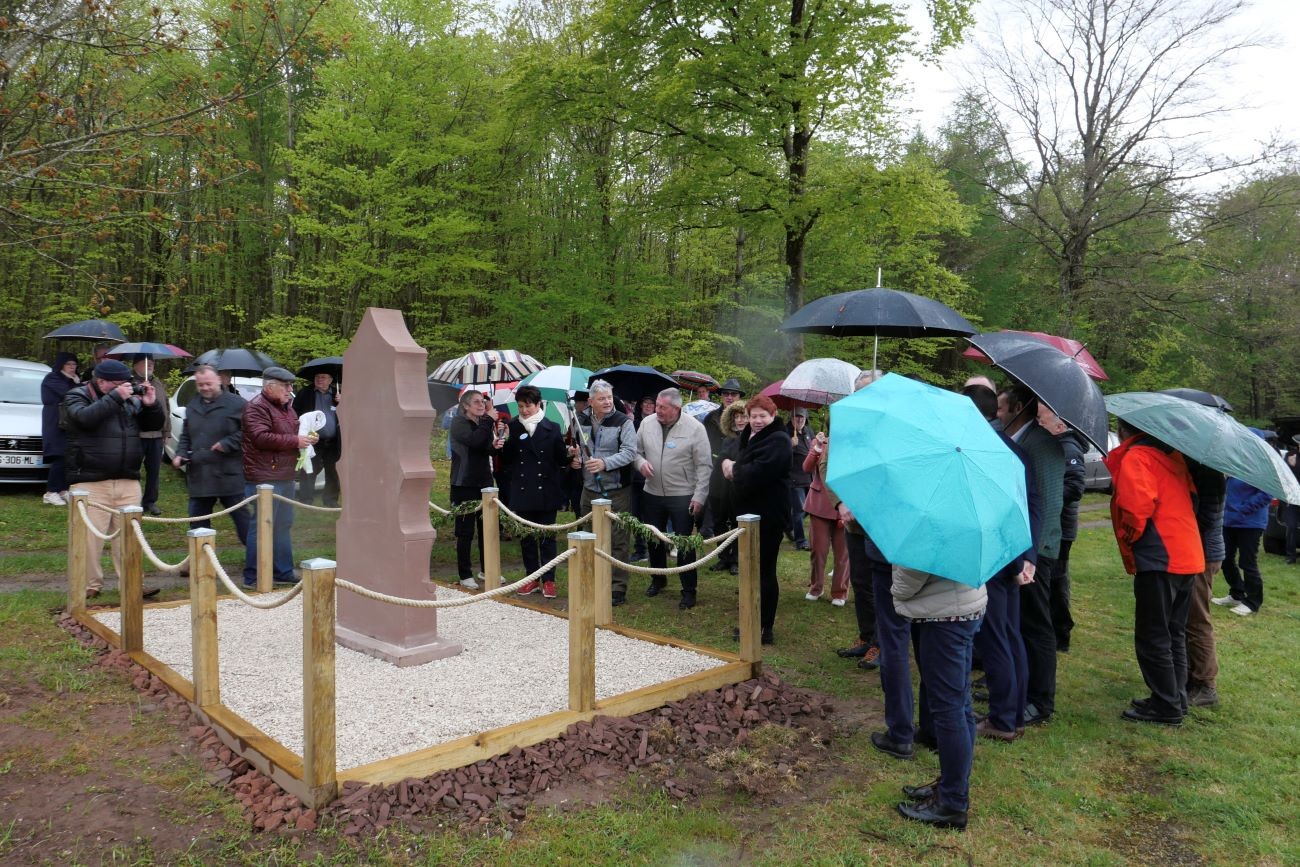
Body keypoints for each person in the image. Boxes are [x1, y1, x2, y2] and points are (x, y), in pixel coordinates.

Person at [1104, 419, 1204, 725]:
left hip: (1161, 557)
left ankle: (1166, 706)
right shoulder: (1171, 457)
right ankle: (1175, 697)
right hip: (1187, 553)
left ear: (1123, 431)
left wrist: (1132, 541)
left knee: (1153, 635)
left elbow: (1136, 508)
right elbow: (1194, 499)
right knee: (1173, 632)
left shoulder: (1138, 456)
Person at [964, 384, 1040, 742]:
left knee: (996, 640)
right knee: (1010, 635)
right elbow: (1033, 508)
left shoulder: (987, 453)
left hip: (997, 559)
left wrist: (1016, 561)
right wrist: (1029, 557)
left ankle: (1004, 719)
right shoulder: (1015, 451)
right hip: (1016, 556)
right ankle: (1014, 712)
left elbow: (1001, 512)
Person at [891, 564, 986, 831]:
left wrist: (897, 591)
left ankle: (952, 802)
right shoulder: (960, 522)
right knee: (960, 705)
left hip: (945, 616)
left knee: (949, 710)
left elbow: (916, 569)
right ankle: (952, 787)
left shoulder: (935, 523)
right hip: (962, 607)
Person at [61, 359, 165, 599]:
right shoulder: (77, 396)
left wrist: (151, 406)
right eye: (119, 384)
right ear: (101, 381)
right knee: (89, 538)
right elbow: (83, 419)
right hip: (90, 479)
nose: (126, 388)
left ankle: (131, 584)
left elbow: (153, 425)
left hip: (127, 477)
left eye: (127, 383)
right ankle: (88, 584)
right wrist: (116, 397)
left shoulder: (126, 399)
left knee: (130, 537)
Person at [996, 383, 1064, 726]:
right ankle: (1018, 690)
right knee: (1018, 624)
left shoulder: (1042, 445)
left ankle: (1040, 700)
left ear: (1019, 408)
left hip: (1036, 551)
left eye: (1002, 408)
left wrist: (1033, 555)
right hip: (1020, 549)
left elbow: (1048, 503)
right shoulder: (1021, 439)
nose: (998, 414)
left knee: (1037, 626)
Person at [722, 395, 791, 643]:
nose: (757, 420)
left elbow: (760, 472)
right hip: (747, 514)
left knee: (764, 571)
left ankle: (765, 628)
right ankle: (750, 621)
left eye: (763, 416)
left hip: (769, 515)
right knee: (749, 570)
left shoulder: (779, 440)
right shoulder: (749, 436)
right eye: (753, 416)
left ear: (772, 416)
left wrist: (733, 469)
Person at [636, 387, 712, 609]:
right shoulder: (646, 423)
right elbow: (635, 451)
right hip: (652, 493)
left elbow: (704, 466)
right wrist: (641, 464)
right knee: (654, 539)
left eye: (662, 407)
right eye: (657, 405)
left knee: (684, 544)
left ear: (676, 408)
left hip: (683, 495)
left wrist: (699, 497)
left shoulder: (695, 428)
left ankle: (689, 590)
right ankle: (658, 579)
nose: (657, 410)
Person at [241, 367, 313, 588]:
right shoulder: (255, 408)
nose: (290, 390)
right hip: (264, 477)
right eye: (286, 386)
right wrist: (295, 441)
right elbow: (261, 437)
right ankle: (253, 576)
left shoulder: (286, 408)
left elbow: (291, 432)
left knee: (283, 525)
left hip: (284, 475)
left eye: (291, 386)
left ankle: (283, 572)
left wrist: (308, 437)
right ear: (269, 386)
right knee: (262, 526)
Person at [571, 380, 639, 605]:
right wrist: (575, 457)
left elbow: (630, 453)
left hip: (616, 489)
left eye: (609, 397)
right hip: (589, 489)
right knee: (588, 535)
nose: (608, 402)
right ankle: (590, 579)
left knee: (618, 538)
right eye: (602, 399)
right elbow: (579, 447)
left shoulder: (624, 422)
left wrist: (605, 463)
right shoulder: (580, 420)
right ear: (591, 402)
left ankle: (617, 587)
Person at [502, 386, 572, 599]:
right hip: (522, 491)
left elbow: (561, 460)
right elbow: (507, 460)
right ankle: (531, 577)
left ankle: (549, 580)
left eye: (528, 406)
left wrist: (571, 454)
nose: (524, 410)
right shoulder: (513, 427)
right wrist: (502, 443)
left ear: (538, 404)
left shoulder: (552, 427)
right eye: (521, 406)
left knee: (547, 538)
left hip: (546, 491)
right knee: (527, 539)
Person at [172, 364, 251, 548]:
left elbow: (249, 433)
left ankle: (261, 562)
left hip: (229, 476)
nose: (205, 388)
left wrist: (227, 444)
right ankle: (201, 565)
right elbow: (186, 436)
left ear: (219, 380)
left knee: (244, 523)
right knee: (198, 525)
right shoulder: (192, 406)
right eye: (201, 385)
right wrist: (180, 454)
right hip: (200, 476)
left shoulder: (238, 404)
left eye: (208, 384)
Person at [449, 390, 499, 590]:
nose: (482, 405)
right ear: (466, 406)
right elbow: (474, 441)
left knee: (486, 528)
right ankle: (465, 573)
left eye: (484, 401)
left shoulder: (481, 425)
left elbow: (484, 448)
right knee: (465, 532)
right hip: (464, 484)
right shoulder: (459, 423)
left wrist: (495, 445)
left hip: (484, 482)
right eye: (477, 402)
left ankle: (487, 570)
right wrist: (488, 419)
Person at [1214, 446, 1272, 617]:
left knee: (1247, 562)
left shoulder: (1261, 468)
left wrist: (1243, 509)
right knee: (1225, 558)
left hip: (1250, 523)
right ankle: (1237, 593)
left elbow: (1267, 494)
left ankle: (1253, 602)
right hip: (1229, 521)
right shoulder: (1235, 465)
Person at [1185, 459, 1225, 707]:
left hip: (1202, 554)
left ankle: (1206, 685)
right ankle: (1192, 675)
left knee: (1197, 619)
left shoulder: (1209, 470)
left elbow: (1206, 518)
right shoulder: (1205, 467)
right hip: (1200, 552)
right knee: (1188, 617)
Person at [802, 428, 849, 605]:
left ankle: (840, 592)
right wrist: (818, 448)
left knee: (843, 554)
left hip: (845, 506)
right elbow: (806, 468)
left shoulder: (855, 446)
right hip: (820, 505)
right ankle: (816, 587)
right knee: (818, 550)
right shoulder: (820, 441)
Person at [707, 400, 747, 577]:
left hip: (739, 490)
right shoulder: (728, 440)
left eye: (743, 416)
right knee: (720, 522)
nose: (740, 420)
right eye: (736, 416)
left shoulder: (752, 440)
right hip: (719, 488)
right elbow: (721, 460)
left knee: (738, 523)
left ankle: (737, 560)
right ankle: (723, 556)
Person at [292, 371, 341, 507]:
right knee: (308, 469)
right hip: (312, 440)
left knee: (333, 471)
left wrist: (343, 402)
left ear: (331, 380)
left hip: (333, 441)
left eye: (323, 377)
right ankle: (306, 500)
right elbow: (294, 414)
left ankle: (330, 501)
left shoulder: (338, 394)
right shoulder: (305, 393)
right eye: (317, 377)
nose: (319, 379)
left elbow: (353, 412)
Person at [131, 355, 170, 516]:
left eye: (152, 363)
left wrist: (166, 431)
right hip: (137, 435)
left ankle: (150, 501)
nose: (150, 366)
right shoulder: (130, 382)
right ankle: (133, 501)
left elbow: (166, 408)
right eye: (146, 363)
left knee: (154, 471)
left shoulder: (158, 382)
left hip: (156, 436)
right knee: (133, 470)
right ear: (135, 365)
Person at [40, 351, 80, 505]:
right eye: (68, 364)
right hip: (55, 422)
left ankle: (63, 489)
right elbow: (69, 394)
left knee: (68, 457)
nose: (72, 367)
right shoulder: (53, 378)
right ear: (61, 365)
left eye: (74, 364)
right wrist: (77, 383)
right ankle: (50, 492)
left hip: (69, 422)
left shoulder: (73, 379)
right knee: (59, 455)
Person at [787, 408, 812, 550]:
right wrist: (789, 445)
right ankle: (801, 541)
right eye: (796, 416)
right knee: (799, 510)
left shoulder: (808, 432)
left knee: (809, 509)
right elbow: (780, 454)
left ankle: (789, 526)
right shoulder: (786, 433)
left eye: (802, 417)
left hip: (809, 478)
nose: (799, 419)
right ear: (791, 418)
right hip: (794, 478)